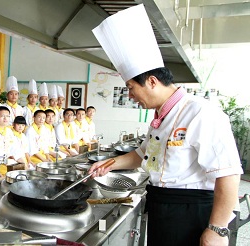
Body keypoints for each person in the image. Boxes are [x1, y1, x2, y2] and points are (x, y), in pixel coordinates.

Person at [90, 4, 242, 246]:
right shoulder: (161, 117)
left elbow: (228, 175)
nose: (130, 95)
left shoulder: (201, 113)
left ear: (151, 81)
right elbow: (142, 155)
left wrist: (217, 230)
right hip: (163, 206)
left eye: (131, 88)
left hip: (191, 211)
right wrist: (108, 165)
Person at [0, 106, 21, 175]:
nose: (5, 119)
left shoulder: (9, 131)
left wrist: (23, 164)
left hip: (9, 163)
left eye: (8, 116)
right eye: (2, 116)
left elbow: (16, 149)